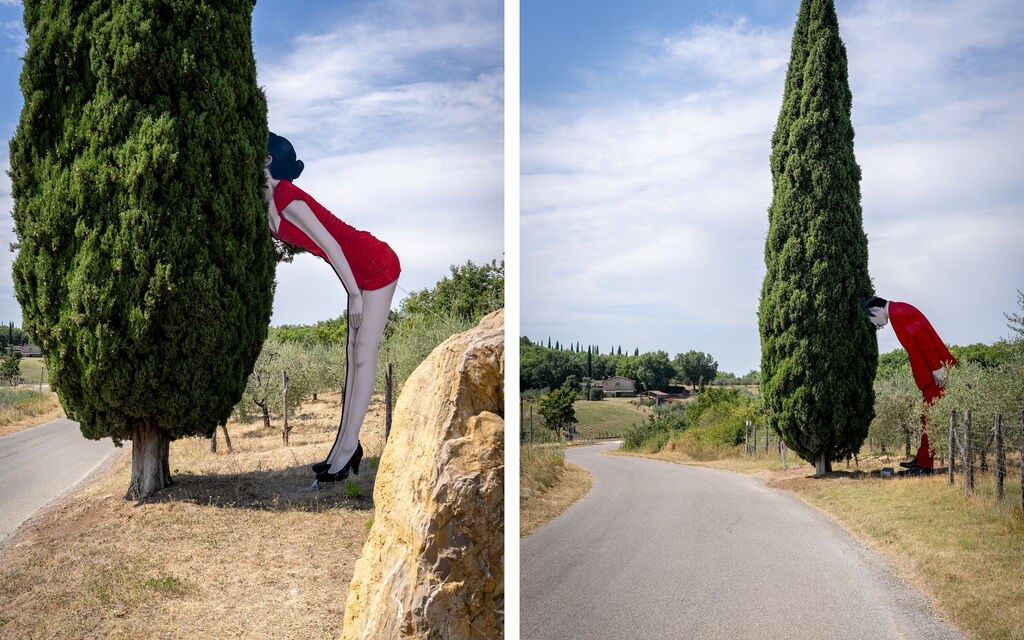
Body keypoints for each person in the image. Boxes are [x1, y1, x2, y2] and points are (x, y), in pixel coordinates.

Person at [263, 132, 400, 484]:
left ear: (266, 160)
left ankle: (346, 450)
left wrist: (354, 294)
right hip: (355, 268)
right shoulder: (267, 197)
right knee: (352, 355)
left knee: (364, 355)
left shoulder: (286, 195)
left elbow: (332, 245)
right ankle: (342, 449)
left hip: (372, 262)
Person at [862, 295, 956, 470]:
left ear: (875, 310)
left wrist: (937, 367)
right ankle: (922, 460)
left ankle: (925, 465)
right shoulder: (899, 310)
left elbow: (923, 339)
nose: (877, 326)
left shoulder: (899, 312)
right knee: (927, 418)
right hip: (930, 372)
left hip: (934, 374)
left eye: (872, 321)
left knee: (931, 419)